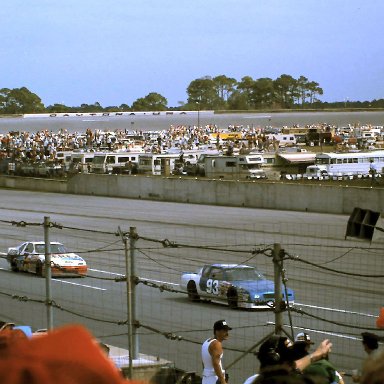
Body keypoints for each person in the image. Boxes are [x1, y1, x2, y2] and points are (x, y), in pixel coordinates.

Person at [202, 319, 232, 384]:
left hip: (206, 378)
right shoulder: (216, 344)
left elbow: (204, 362)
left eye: (227, 330)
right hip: (214, 379)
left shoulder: (207, 341)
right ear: (217, 331)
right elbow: (216, 364)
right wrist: (223, 381)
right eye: (224, 331)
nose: (227, 333)